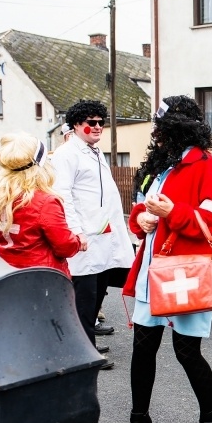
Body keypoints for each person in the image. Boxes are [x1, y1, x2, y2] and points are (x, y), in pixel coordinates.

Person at [111, 95, 212, 423]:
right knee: (142, 349)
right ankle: (138, 421)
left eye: (162, 129)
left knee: (186, 351)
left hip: (187, 274)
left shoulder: (208, 166)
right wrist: (141, 219)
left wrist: (173, 212)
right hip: (155, 269)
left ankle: (211, 419)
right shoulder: (160, 166)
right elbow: (142, 209)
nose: (157, 135)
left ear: (177, 130)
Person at [51, 100, 135, 369]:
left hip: (104, 237)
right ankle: (84, 354)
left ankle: (88, 343)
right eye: (91, 122)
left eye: (101, 122)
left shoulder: (94, 151)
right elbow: (63, 196)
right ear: (76, 125)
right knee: (85, 299)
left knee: (98, 292)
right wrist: (75, 232)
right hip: (85, 240)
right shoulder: (67, 154)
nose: (97, 126)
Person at [0, 134, 87, 274]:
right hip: (42, 281)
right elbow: (65, 246)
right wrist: (78, 241)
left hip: (4, 279)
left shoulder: (0, 197)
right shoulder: (45, 202)